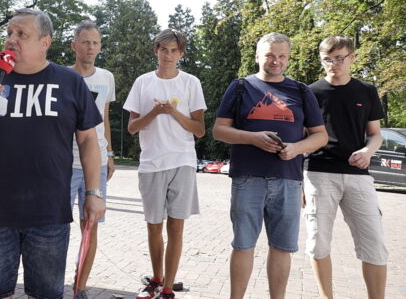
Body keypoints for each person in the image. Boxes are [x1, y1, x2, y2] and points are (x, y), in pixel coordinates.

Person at [0, 8, 105, 299]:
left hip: (50, 214)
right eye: (9, 33)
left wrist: (93, 192)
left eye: (22, 34)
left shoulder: (69, 82)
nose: (12, 39)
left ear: (45, 42)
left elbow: (88, 141)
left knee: (47, 294)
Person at [213, 32, 327, 299]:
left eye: (281, 56)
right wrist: (253, 139)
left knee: (282, 248)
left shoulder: (301, 90)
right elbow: (219, 130)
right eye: (269, 55)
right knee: (243, 245)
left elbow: (320, 135)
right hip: (247, 178)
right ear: (257, 57)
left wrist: (296, 148)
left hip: (288, 179)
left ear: (287, 58)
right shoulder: (241, 86)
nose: (275, 61)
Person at [123, 29, 206, 299]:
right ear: (156, 50)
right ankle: (156, 279)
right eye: (163, 49)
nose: (168, 55)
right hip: (151, 163)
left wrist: (173, 112)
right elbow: (132, 127)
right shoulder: (143, 82)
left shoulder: (191, 83)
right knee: (153, 225)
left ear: (181, 54)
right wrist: (155, 112)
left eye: (174, 50)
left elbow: (199, 130)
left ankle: (168, 286)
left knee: (176, 226)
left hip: (182, 161)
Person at [304, 35, 388, 299]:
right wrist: (298, 182)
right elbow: (301, 137)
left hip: (358, 176)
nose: (333, 64)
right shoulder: (310, 92)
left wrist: (368, 150)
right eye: (327, 59)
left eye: (339, 58)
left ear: (351, 57)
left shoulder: (367, 90)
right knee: (318, 243)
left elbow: (375, 133)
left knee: (374, 244)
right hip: (318, 172)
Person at [68, 20, 116, 299]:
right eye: (85, 42)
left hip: (95, 163)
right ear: (74, 45)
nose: (90, 47)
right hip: (63, 162)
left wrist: (108, 153)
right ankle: (51, 282)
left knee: (91, 225)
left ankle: (80, 286)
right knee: (57, 227)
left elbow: (105, 116)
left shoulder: (106, 77)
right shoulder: (61, 76)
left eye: (95, 42)